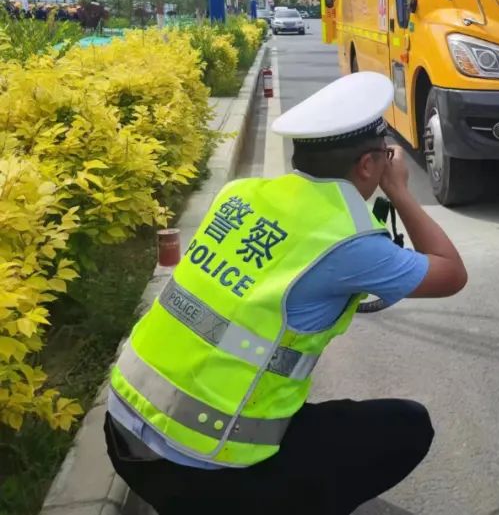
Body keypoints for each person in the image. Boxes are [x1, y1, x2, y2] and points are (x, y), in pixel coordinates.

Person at [103, 72, 467, 515]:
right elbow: (451, 274)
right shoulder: (347, 242)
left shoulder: (242, 193)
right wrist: (400, 192)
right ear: (369, 165)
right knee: (408, 427)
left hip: (121, 424)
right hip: (198, 466)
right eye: (384, 157)